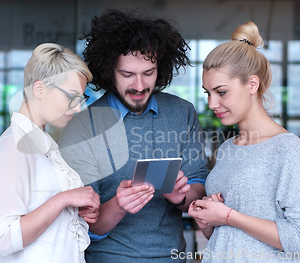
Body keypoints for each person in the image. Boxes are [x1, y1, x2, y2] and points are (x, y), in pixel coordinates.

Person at [59, 9, 209, 263]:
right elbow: (83, 225)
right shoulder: (83, 127)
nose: (139, 86)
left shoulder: (182, 112)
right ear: (109, 71)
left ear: (160, 69)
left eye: (148, 73)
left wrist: (181, 196)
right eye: (127, 75)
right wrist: (119, 204)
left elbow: (199, 192)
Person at [188, 22, 300, 262]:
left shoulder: (285, 148)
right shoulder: (228, 149)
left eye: (221, 92)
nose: (211, 103)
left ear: (252, 84)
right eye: (208, 93)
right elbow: (229, 240)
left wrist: (229, 216)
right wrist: (207, 221)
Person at [0, 43, 100, 263]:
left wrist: (77, 212)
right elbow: (4, 237)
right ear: (39, 89)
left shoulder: (44, 144)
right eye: (71, 97)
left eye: (81, 99)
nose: (77, 108)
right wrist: (64, 199)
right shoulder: (14, 145)